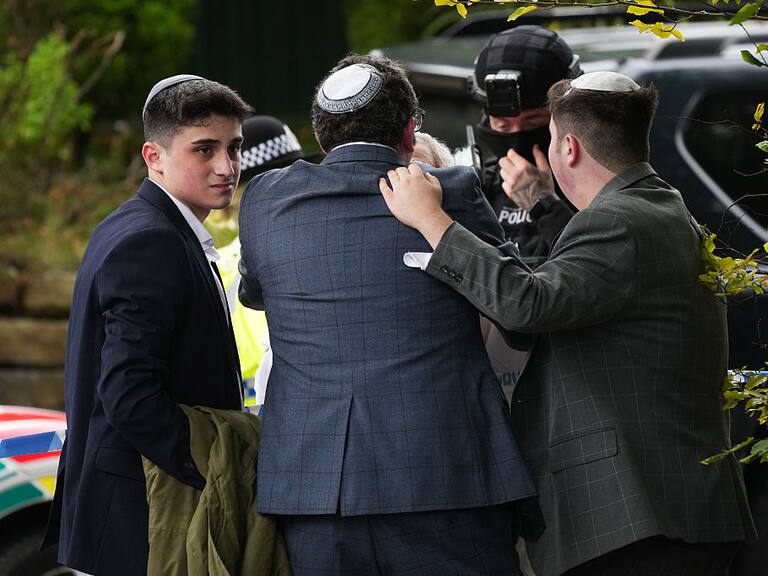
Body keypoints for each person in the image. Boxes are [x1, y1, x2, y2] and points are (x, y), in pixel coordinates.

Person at [380, 71, 755, 576]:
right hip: (667, 512)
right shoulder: (657, 206)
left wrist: (432, 220)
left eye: (552, 137)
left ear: (569, 148)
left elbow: (528, 303)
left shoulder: (618, 220)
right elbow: (556, 291)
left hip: (640, 519)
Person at [238, 54, 537, 575]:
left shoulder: (266, 198)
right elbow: (517, 312)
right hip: (447, 479)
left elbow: (255, 293)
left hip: (315, 490)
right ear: (408, 130)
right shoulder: (451, 190)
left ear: (322, 136)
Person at [42, 74, 252, 575]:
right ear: (153, 156)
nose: (226, 166)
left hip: (135, 516)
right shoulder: (151, 240)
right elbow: (129, 393)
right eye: (204, 149)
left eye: (234, 147)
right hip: (142, 524)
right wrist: (213, 466)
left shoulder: (136, 225)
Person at [459, 25, 581, 263]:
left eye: (533, 122)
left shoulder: (594, 184)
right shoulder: (478, 188)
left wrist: (545, 205)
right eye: (503, 126)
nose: (517, 137)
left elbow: (599, 268)